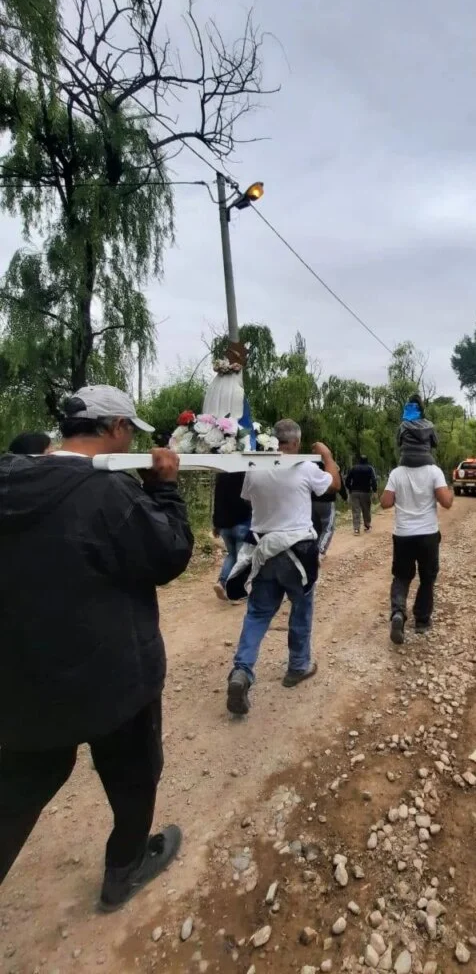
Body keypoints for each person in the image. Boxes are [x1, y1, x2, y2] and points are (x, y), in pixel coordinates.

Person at [0, 385, 194, 910]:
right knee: (134, 776)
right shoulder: (106, 493)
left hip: (20, 683)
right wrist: (164, 490)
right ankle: (122, 872)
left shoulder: (8, 477)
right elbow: (169, 554)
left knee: (15, 793)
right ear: (114, 429)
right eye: (129, 429)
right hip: (112, 676)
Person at [226, 420, 340, 716]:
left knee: (258, 614)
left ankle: (242, 671)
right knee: (301, 609)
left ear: (273, 441)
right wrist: (327, 457)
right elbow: (334, 486)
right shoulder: (305, 468)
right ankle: (298, 666)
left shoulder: (255, 468)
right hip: (298, 551)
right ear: (297, 443)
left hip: (264, 551)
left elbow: (248, 498)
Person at [380, 462, 454, 644]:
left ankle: (398, 612)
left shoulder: (396, 473)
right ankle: (421, 620)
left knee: (401, 576)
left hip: (403, 534)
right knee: (428, 577)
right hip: (428, 534)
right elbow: (446, 502)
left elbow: (385, 503)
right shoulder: (434, 471)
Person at [213, 472, 252, 601]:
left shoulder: (221, 476)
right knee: (242, 558)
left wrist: (216, 524)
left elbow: (217, 500)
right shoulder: (245, 474)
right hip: (242, 522)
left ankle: (221, 582)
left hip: (224, 525)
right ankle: (237, 592)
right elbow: (249, 499)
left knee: (232, 555)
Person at [311, 460, 348, 563]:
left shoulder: (311, 464)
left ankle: (312, 551)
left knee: (314, 527)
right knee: (328, 528)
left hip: (312, 501)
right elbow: (338, 482)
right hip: (327, 501)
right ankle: (320, 551)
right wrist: (344, 496)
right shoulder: (332, 465)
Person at [397, 393, 438, 467]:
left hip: (406, 461)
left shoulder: (403, 426)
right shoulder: (430, 425)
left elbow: (398, 443)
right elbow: (435, 443)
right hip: (426, 460)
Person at [345, 454, 378, 534]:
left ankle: (356, 529)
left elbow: (347, 480)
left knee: (356, 510)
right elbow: (374, 480)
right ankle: (367, 526)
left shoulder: (354, 468)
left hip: (355, 492)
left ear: (359, 460)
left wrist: (350, 488)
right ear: (367, 461)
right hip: (365, 492)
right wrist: (374, 490)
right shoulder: (370, 468)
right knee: (366, 509)